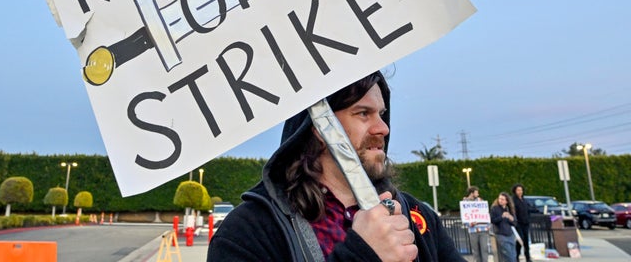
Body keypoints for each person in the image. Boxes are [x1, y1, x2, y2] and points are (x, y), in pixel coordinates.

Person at [207, 71, 465, 262]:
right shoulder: (250, 231)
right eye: (363, 113)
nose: (383, 128)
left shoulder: (415, 215)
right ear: (321, 129)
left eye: (382, 114)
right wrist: (362, 254)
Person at [463, 186, 489, 262]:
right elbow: (464, 216)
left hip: (483, 228)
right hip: (473, 230)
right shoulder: (465, 203)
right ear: (472, 193)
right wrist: (469, 224)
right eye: (476, 192)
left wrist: (487, 224)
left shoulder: (480, 201)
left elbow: (485, 212)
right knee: (476, 251)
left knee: (484, 249)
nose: (478, 194)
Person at [490, 192, 517, 262]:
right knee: (509, 255)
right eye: (499, 198)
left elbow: (515, 223)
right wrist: (502, 216)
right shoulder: (494, 208)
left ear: (506, 201)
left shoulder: (509, 209)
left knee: (514, 255)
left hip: (510, 234)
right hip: (500, 234)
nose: (500, 200)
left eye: (502, 199)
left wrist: (511, 218)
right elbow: (492, 220)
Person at [511, 184, 532, 261]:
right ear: (515, 191)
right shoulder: (513, 200)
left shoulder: (524, 200)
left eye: (521, 190)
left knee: (526, 240)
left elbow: (529, 208)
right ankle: (516, 256)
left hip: (525, 222)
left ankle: (528, 257)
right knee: (520, 239)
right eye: (518, 190)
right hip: (518, 223)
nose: (520, 192)